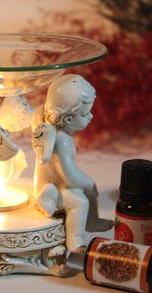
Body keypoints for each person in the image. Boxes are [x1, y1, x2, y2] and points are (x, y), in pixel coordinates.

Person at [32, 74, 113, 253]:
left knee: (87, 193)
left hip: (54, 184)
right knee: (80, 201)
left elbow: (38, 110)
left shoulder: (46, 124)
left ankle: (92, 222)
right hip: (52, 186)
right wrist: (89, 183)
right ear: (68, 119)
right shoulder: (61, 140)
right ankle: (75, 241)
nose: (91, 116)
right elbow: (69, 176)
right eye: (85, 113)